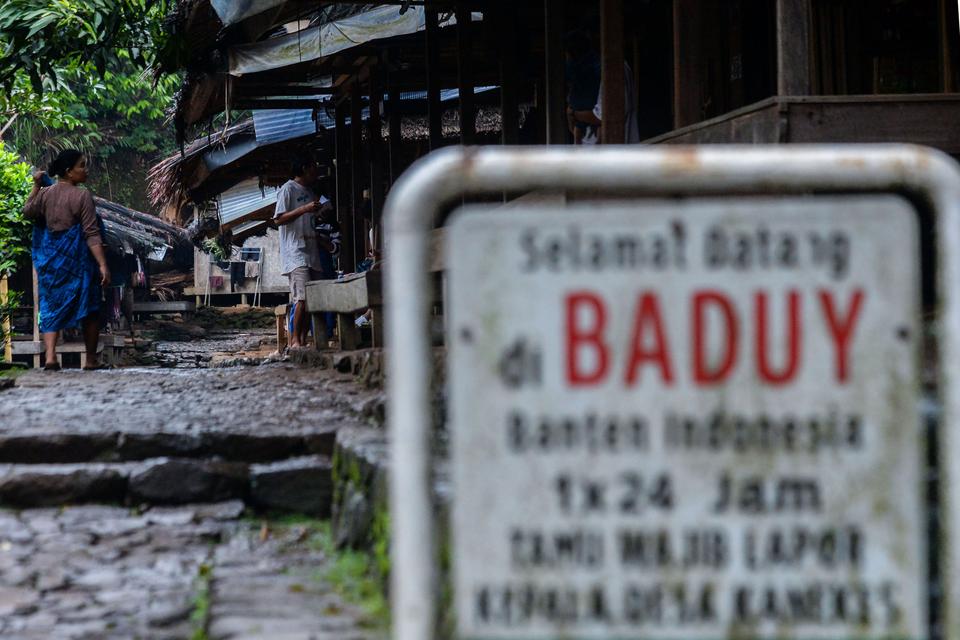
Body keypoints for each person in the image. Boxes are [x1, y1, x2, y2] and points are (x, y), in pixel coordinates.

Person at [22, 149, 111, 371]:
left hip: (52, 261)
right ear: (69, 172)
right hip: (77, 262)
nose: (86, 170)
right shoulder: (82, 196)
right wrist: (102, 265)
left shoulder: (45, 194)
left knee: (51, 304)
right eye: (82, 165)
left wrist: (36, 186)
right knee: (90, 306)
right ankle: (90, 360)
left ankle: (50, 357)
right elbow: (91, 233)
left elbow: (27, 211)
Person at [273, 156, 329, 348]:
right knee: (302, 298)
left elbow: (308, 220)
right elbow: (278, 219)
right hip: (295, 252)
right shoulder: (288, 189)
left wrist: (319, 212)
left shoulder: (310, 191)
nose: (317, 171)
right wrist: (304, 208)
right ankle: (295, 340)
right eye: (314, 167)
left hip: (311, 250)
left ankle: (304, 338)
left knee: (313, 299)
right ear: (304, 168)